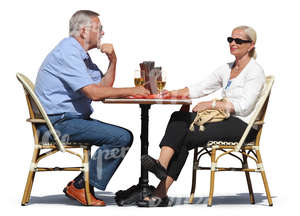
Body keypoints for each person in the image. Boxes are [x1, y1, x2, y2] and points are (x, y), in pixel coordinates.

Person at [138, 26, 265, 207]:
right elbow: (200, 87)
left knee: (184, 134)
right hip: (226, 120)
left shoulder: (254, 71)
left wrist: (211, 104)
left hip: (244, 126)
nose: (233, 43)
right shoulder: (227, 68)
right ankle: (160, 171)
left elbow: (244, 108)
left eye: (239, 41)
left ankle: (160, 187)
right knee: (179, 117)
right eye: (231, 40)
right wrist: (170, 93)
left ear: (251, 45)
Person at [35, 10, 150, 206]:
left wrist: (113, 60)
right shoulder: (68, 52)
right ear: (84, 31)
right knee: (121, 137)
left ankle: (80, 183)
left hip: (68, 121)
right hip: (56, 125)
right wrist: (135, 90)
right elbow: (95, 94)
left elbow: (104, 87)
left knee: (122, 136)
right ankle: (81, 186)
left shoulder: (81, 55)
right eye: (99, 28)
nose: (103, 33)